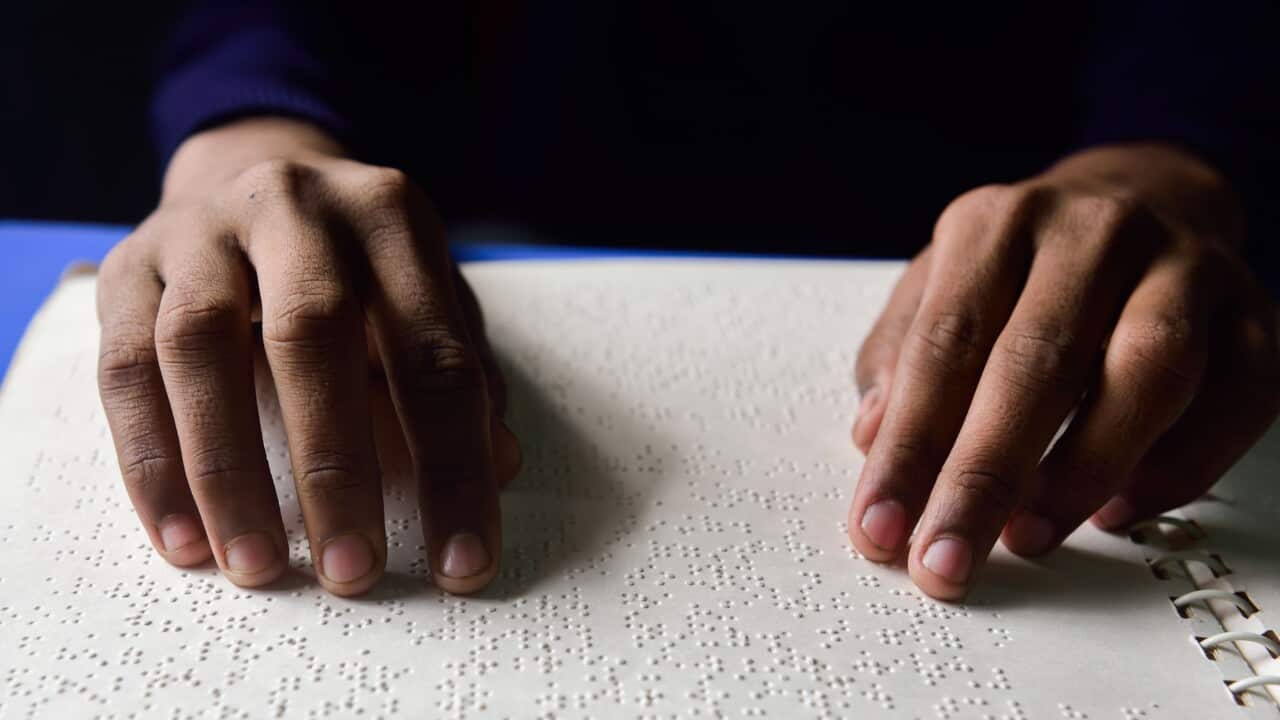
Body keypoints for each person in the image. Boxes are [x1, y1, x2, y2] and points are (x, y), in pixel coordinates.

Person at [96, 2, 1280, 601]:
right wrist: (242, 139)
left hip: (999, 209)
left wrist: (1169, 165)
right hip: (543, 218)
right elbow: (273, 19)